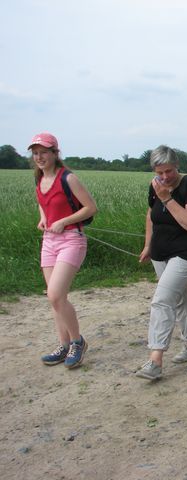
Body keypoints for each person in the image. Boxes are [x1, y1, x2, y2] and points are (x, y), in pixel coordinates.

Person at [136, 145, 187, 380]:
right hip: (161, 251)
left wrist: (167, 199)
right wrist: (148, 245)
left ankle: (155, 359)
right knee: (178, 299)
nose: (165, 177)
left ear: (177, 165)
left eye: (169, 171)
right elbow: (151, 216)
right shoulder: (154, 185)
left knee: (162, 300)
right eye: (160, 172)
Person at [32, 132, 97, 369]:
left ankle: (77, 342)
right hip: (49, 242)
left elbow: (91, 208)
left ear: (54, 153)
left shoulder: (68, 179)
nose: (39, 157)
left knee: (55, 295)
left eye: (44, 152)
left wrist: (64, 221)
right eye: (36, 153)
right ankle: (63, 344)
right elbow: (43, 203)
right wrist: (44, 219)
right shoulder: (39, 179)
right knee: (56, 300)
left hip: (72, 240)